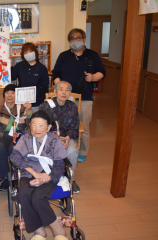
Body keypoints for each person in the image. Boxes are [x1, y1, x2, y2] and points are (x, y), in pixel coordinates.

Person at [10, 111, 69, 240]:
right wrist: (34, 173)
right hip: (28, 173)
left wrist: (47, 178)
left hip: (48, 174)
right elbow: (14, 156)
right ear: (30, 126)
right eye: (34, 125)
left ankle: (58, 231)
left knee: (38, 197)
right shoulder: (26, 138)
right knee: (23, 195)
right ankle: (39, 232)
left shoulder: (54, 140)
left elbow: (60, 165)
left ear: (48, 128)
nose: (37, 129)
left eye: (41, 125)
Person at [52, 28, 105, 162]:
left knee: (83, 126)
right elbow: (56, 73)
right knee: (63, 124)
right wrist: (59, 87)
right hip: (65, 98)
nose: (76, 41)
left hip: (85, 97)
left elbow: (102, 72)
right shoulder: (63, 56)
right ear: (69, 41)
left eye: (78, 38)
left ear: (84, 39)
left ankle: (82, 151)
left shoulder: (92, 55)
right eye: (72, 39)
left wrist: (92, 77)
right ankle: (63, 147)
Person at [0, 84, 32, 190]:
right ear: (4, 95)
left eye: (13, 92)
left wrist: (29, 112)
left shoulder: (23, 106)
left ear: (17, 95)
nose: (10, 95)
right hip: (3, 135)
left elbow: (30, 125)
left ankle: (16, 177)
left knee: (14, 149)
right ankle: (5, 178)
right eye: (7, 93)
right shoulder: (0, 105)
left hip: (18, 135)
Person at [39, 81, 81, 194]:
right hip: (50, 137)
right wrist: (56, 139)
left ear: (70, 93)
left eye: (67, 90)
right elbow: (42, 125)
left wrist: (67, 137)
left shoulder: (72, 106)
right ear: (55, 92)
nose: (64, 92)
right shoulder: (46, 105)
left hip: (67, 137)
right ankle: (52, 176)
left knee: (72, 151)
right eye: (61, 89)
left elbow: (74, 125)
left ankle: (69, 179)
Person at [11, 42, 50, 112]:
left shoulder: (42, 68)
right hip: (21, 103)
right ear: (23, 54)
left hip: (36, 104)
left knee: (35, 121)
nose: (28, 53)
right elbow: (12, 77)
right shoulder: (19, 66)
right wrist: (10, 65)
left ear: (35, 52)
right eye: (26, 52)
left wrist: (42, 103)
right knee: (22, 122)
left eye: (30, 51)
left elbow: (45, 87)